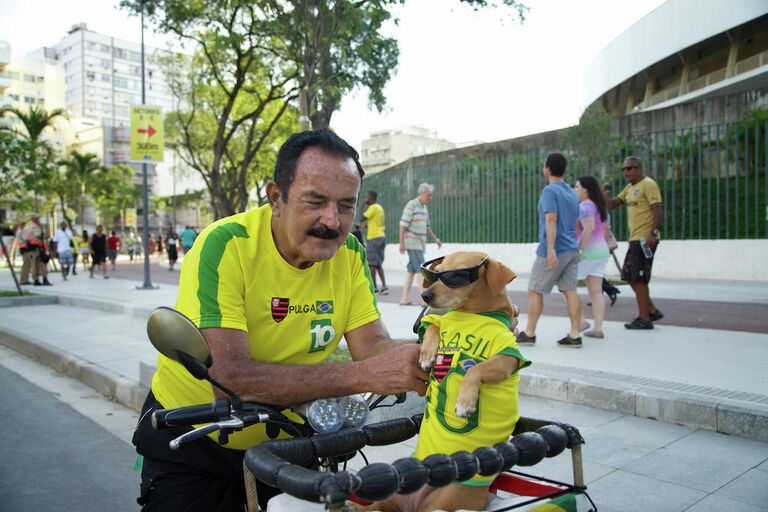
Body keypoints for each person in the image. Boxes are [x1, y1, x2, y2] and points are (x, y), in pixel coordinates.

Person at [132, 128, 429, 511]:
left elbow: (372, 347)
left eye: (345, 205)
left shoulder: (351, 253)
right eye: (315, 201)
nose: (332, 221)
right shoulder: (226, 245)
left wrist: (448, 344)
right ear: (276, 197)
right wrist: (365, 375)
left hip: (289, 448)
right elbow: (232, 380)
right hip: (196, 442)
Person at [516, 153, 582, 348]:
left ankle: (529, 333)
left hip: (554, 248)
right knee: (570, 290)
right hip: (571, 247)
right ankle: (575, 334)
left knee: (535, 289)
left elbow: (551, 219)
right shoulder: (571, 191)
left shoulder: (549, 191)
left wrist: (551, 250)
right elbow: (576, 221)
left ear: (547, 168)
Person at [607, 156, 664, 329]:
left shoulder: (648, 184)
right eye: (624, 169)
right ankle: (651, 310)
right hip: (634, 239)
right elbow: (613, 204)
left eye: (630, 168)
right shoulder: (630, 188)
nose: (626, 172)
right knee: (629, 275)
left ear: (640, 168)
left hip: (644, 239)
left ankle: (644, 318)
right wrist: (603, 195)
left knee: (639, 279)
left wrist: (653, 233)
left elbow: (657, 209)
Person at [574, 176, 611, 339]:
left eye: (577, 187)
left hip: (590, 252)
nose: (575, 190)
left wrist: (579, 250)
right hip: (602, 250)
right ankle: (598, 328)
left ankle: (581, 320)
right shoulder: (598, 206)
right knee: (596, 291)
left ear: (585, 189)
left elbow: (588, 228)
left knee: (567, 286)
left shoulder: (585, 206)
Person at [398, 182, 441, 305]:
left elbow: (427, 227)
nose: (430, 198)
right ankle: (424, 300)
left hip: (420, 244)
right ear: (421, 194)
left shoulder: (424, 208)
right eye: (428, 195)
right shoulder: (412, 205)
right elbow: (403, 225)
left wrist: (436, 239)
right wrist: (402, 244)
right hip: (412, 243)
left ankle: (404, 299)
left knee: (411, 270)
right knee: (421, 269)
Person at [356, 190, 388, 294]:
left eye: (367, 197)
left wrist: (361, 205)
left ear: (371, 197)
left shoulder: (372, 208)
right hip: (381, 237)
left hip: (373, 238)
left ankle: (374, 287)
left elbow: (361, 219)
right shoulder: (380, 208)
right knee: (378, 263)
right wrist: (364, 226)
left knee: (372, 264)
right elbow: (373, 225)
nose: (366, 198)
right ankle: (384, 286)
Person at [17, 214, 52, 286]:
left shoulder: (27, 228)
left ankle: (36, 279)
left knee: (34, 265)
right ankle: (43, 279)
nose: (38, 220)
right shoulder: (34, 227)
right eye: (37, 218)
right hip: (37, 248)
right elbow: (39, 235)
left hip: (31, 249)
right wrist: (44, 230)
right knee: (41, 264)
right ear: (34, 219)